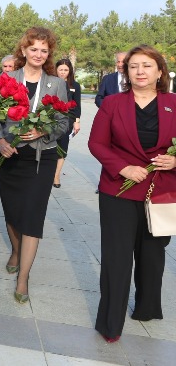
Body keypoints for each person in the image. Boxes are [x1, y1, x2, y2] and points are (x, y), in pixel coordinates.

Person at [88, 45, 176, 343]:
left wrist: (175, 160)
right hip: (118, 192)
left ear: (160, 71)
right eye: (134, 66)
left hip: (160, 192)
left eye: (147, 66)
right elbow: (97, 144)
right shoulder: (112, 104)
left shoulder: (174, 104)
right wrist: (122, 167)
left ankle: (147, 308)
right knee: (117, 259)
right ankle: (110, 324)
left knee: (153, 256)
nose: (140, 71)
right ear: (125, 72)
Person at [0, 27, 68, 305]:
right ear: (23, 50)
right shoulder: (7, 79)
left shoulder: (56, 84)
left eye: (43, 50)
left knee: (33, 215)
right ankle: (15, 248)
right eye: (33, 48)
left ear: (49, 54)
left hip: (41, 158)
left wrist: (42, 131)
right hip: (10, 155)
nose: (38, 54)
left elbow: (63, 122)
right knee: (12, 211)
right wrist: (0, 142)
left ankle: (23, 277)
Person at [0, 55, 18, 193]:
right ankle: (0, 182)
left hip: (16, 132)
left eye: (10, 66)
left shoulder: (20, 83)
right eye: (5, 66)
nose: (7, 69)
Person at [52, 58, 81, 188]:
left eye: (66, 70)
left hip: (67, 120)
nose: (63, 72)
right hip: (50, 119)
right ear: (56, 70)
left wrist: (76, 121)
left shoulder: (74, 86)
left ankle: (56, 175)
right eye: (60, 69)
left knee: (62, 147)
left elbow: (77, 105)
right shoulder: (50, 82)